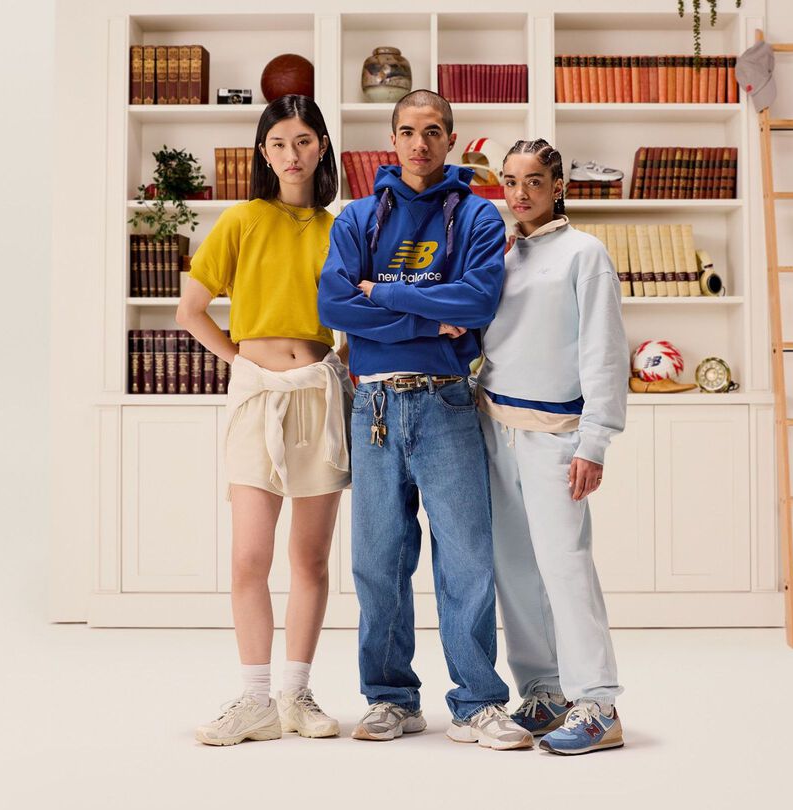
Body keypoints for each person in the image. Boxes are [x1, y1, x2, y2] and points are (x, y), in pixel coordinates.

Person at [316, 90, 530, 750]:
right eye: (407, 131)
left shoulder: (478, 216)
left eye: (432, 131)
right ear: (392, 138)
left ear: (451, 139)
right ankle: (390, 699)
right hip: (374, 406)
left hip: (446, 403)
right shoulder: (355, 217)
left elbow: (475, 301)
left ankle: (476, 703)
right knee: (379, 563)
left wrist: (382, 293)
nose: (419, 144)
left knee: (466, 560)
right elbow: (334, 304)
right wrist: (425, 314)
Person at [177, 95, 351, 746]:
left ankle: (296, 694)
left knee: (309, 559)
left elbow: (357, 318)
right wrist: (241, 363)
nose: (292, 154)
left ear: (322, 148)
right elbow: (191, 310)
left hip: (317, 394)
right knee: (250, 556)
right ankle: (253, 699)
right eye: (279, 142)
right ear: (263, 153)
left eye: (304, 141)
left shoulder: (341, 228)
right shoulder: (241, 220)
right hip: (257, 398)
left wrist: (339, 364)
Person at [478, 138, 628, 755]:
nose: (521, 193)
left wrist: (595, 441)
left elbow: (604, 353)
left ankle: (598, 703)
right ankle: (543, 690)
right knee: (514, 569)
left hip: (558, 436)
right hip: (493, 429)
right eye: (511, 182)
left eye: (534, 181)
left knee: (565, 567)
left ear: (558, 185)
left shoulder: (584, 255)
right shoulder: (499, 253)